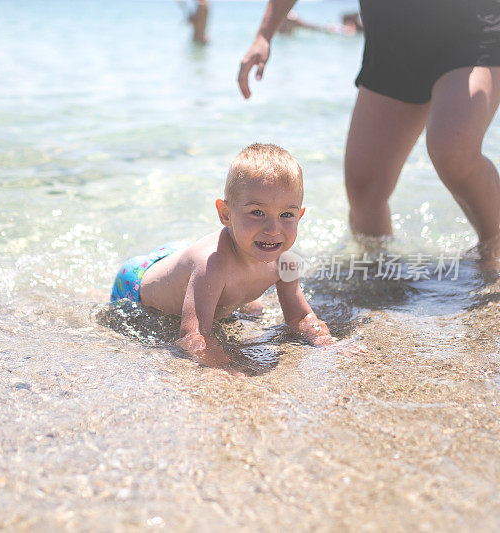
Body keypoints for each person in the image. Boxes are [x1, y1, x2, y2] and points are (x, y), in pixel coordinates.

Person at [238, 0, 500, 269]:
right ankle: (381, 275)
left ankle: (494, 251)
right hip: (392, 43)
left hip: (469, 31)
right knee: (365, 189)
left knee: (451, 149)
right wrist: (264, 34)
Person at [110, 144, 334, 367]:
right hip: (136, 282)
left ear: (300, 215)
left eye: (287, 214)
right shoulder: (212, 266)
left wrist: (327, 343)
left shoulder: (285, 261)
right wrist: (221, 367)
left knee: (254, 309)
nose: (273, 229)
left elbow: (299, 317)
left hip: (182, 259)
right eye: (257, 212)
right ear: (226, 214)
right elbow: (192, 335)